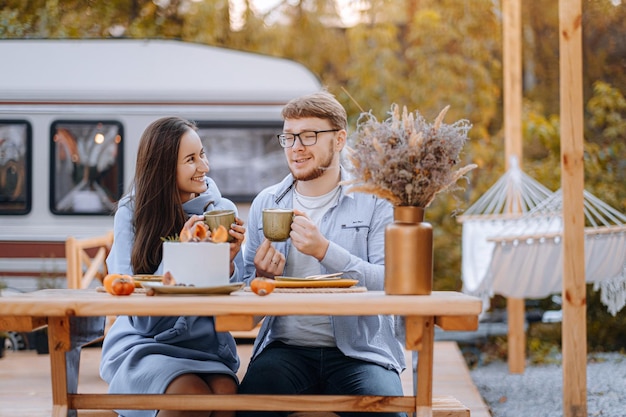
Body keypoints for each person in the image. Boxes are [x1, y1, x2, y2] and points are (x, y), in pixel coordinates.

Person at [238, 91, 406, 417]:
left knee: (389, 413)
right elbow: (248, 311)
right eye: (289, 137)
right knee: (246, 411)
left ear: (340, 139)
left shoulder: (374, 200)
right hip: (286, 351)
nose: (296, 147)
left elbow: (392, 283)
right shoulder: (267, 204)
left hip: (362, 353)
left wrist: (325, 251)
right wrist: (262, 278)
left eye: (309, 136)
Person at [100, 116, 246, 417]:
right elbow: (134, 308)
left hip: (203, 346)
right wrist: (179, 253)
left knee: (226, 395)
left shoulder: (222, 211)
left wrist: (229, 261)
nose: (204, 167)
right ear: (164, 168)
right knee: (189, 397)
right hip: (142, 344)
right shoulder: (131, 213)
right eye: (191, 159)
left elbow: (237, 296)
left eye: (202, 154)